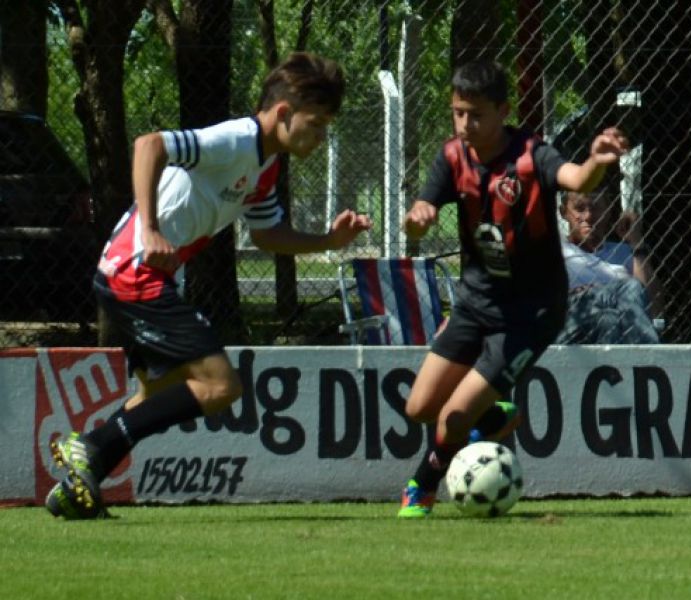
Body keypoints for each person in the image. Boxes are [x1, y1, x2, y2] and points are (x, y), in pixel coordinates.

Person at [45, 52, 372, 519]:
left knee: (158, 395)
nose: (321, 137)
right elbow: (149, 146)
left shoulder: (267, 167)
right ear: (283, 113)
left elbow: (266, 234)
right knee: (220, 386)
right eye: (316, 123)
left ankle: (78, 487)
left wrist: (329, 240)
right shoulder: (239, 139)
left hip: (139, 276)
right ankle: (93, 447)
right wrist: (152, 230)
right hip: (134, 273)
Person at [398, 60, 628, 517]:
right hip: (474, 303)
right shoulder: (451, 157)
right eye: (458, 113)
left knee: (452, 418)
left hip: (530, 311)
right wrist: (417, 217)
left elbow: (576, 179)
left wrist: (597, 162)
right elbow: (421, 207)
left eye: (476, 114)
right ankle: (495, 417)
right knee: (420, 407)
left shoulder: (531, 155)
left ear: (503, 111)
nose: (465, 124)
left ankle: (422, 487)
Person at [555, 186, 660, 344]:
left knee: (608, 318)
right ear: (564, 212)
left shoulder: (624, 252)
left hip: (614, 326)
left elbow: (654, 306)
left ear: (609, 210)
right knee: (629, 286)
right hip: (572, 323)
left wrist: (636, 242)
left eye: (596, 208)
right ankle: (649, 360)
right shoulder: (556, 250)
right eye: (579, 208)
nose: (589, 216)